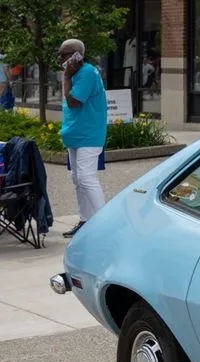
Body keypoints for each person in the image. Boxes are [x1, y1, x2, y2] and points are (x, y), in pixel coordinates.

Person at [57, 39, 108, 239]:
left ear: (78, 54)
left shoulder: (86, 73)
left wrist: (66, 77)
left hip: (89, 135)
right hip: (75, 134)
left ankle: (105, 223)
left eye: (65, 54)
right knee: (77, 179)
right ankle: (85, 220)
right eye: (59, 54)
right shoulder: (76, 73)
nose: (60, 58)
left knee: (87, 178)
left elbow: (74, 102)